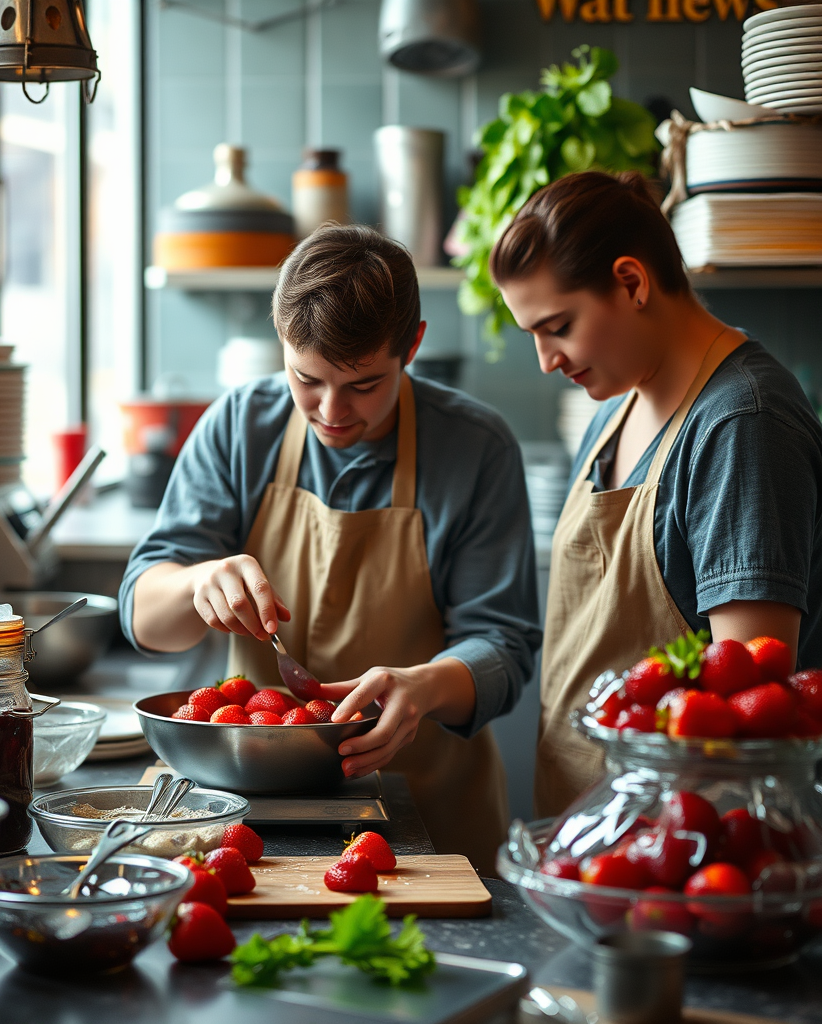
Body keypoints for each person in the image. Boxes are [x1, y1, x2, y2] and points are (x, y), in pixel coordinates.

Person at [120, 225, 542, 873]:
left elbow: (504, 648)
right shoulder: (239, 428)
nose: (332, 411)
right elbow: (148, 621)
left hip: (429, 817)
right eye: (306, 379)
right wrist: (195, 582)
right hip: (246, 821)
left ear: (413, 346)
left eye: (365, 384)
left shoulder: (476, 448)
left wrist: (425, 687)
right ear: (282, 344)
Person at [491, 170, 822, 818]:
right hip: (592, 833)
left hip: (687, 852)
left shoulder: (741, 424)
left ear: (632, 282)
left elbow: (750, 701)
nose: (545, 360)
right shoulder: (616, 406)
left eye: (557, 326)